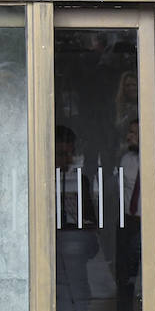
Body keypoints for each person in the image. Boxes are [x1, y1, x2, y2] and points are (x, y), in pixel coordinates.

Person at [115, 113, 155, 311]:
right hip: (129, 223)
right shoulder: (125, 160)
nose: (129, 137)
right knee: (126, 274)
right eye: (129, 132)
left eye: (134, 133)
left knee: (154, 274)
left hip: (153, 223)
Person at [56, 124, 98, 301]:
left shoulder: (80, 180)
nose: (68, 159)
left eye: (70, 154)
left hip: (74, 241)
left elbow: (91, 220)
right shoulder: (37, 180)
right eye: (61, 155)